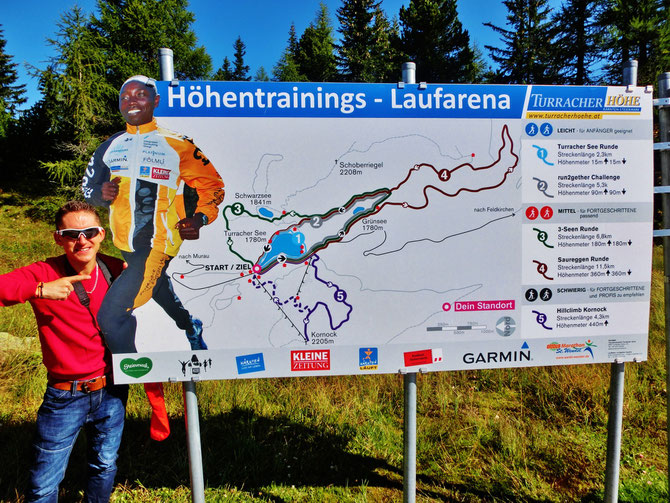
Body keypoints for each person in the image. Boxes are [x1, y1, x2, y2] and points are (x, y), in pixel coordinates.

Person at [82, 75, 225, 353]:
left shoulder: (178, 144)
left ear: (155, 101)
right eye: (125, 97)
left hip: (159, 243)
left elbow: (213, 186)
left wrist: (200, 218)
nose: (131, 101)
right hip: (125, 243)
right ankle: (190, 325)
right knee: (157, 286)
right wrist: (101, 193)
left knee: (111, 315)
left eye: (140, 95)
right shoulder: (109, 146)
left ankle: (128, 376)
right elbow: (88, 186)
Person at [0, 201, 126, 502]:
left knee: (104, 464)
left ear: (101, 234)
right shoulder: (44, 272)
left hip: (112, 389)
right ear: (59, 238)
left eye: (89, 232)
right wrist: (40, 290)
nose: (82, 240)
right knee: (45, 483)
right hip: (64, 395)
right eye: (72, 233)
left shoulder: (115, 269)